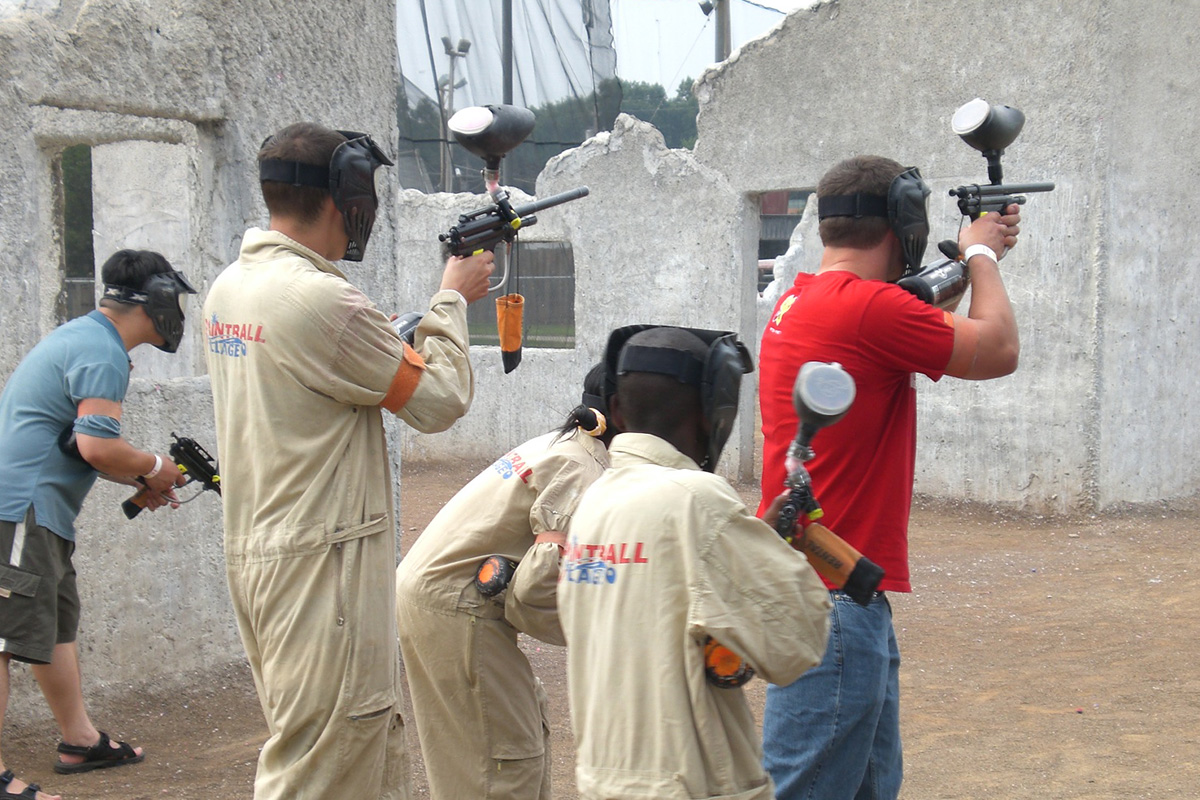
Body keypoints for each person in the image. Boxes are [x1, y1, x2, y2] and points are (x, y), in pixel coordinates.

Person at [202, 122, 494, 800]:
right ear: (345, 199)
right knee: (328, 760)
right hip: (323, 563)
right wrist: (451, 299)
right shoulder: (321, 301)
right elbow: (440, 401)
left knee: (322, 745)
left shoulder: (233, 287)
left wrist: (385, 338)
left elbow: (306, 374)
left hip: (266, 549)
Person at [757, 155, 1022, 800]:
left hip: (827, 587)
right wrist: (981, 259)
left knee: (869, 787)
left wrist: (964, 264)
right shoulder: (871, 312)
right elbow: (999, 349)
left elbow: (911, 310)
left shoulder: (803, 299)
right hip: (835, 601)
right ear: (903, 222)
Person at [558, 325, 832, 800]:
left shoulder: (597, 500)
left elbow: (659, 606)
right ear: (714, 414)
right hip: (689, 786)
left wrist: (752, 543)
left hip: (604, 781)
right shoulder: (698, 502)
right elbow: (798, 639)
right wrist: (774, 556)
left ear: (617, 409)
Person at [0, 249, 195, 800]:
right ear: (153, 299)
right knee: (4, 639)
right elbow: (98, 446)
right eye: (173, 299)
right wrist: (156, 468)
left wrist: (136, 480)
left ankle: (79, 741)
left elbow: (75, 446)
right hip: (19, 509)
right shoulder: (101, 350)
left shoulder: (86, 338)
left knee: (54, 625)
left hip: (39, 509)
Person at [395, 363, 615, 800]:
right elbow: (534, 593)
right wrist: (611, 635)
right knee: (503, 762)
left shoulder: (564, 444)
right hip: (457, 607)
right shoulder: (582, 470)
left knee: (493, 741)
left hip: (438, 596)